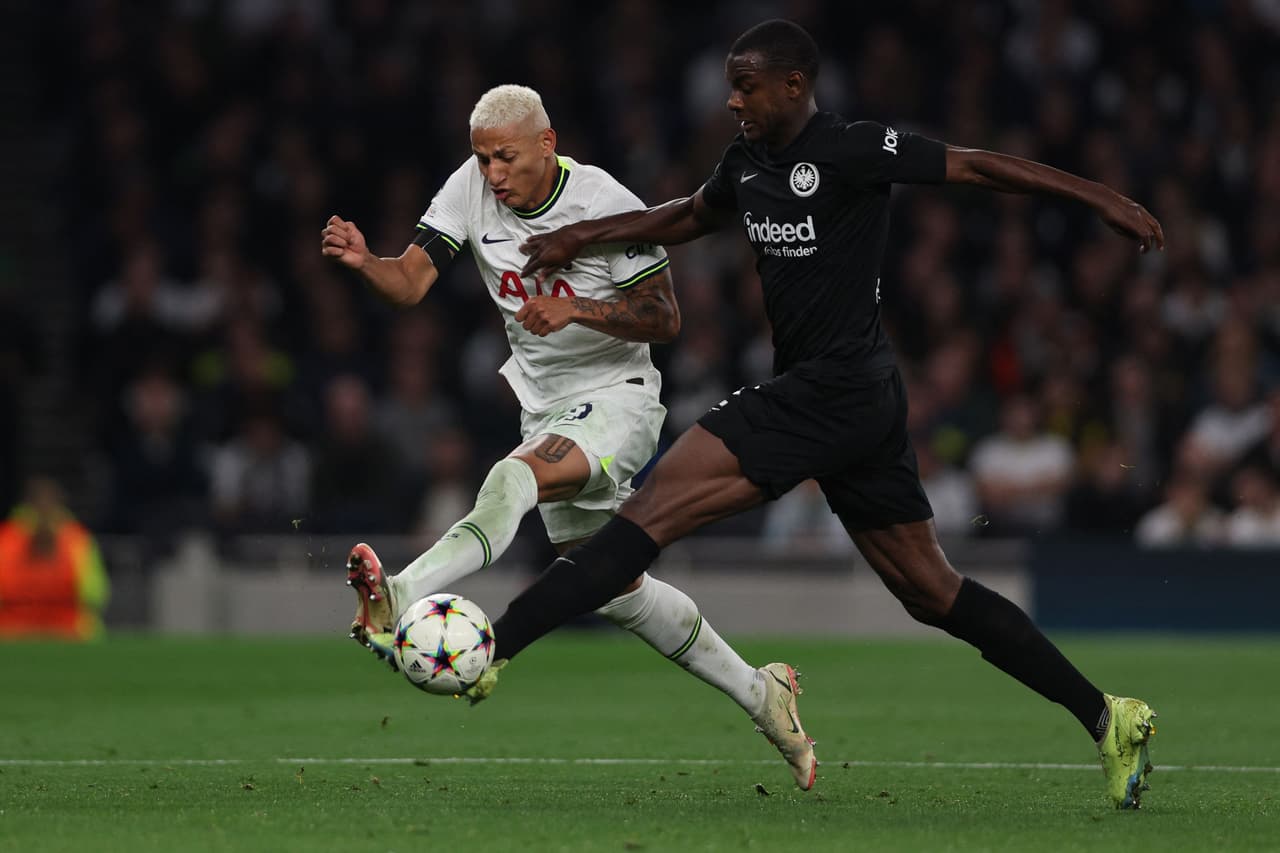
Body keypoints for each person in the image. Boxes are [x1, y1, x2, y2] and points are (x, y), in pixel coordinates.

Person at [482, 21, 1164, 809]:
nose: (731, 98)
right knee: (930, 590)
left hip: (835, 389)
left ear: (794, 87)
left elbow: (975, 166)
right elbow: (687, 216)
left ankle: (496, 643)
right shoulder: (746, 163)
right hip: (852, 397)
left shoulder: (851, 149)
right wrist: (584, 235)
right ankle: (1110, 716)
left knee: (649, 513)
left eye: (746, 86)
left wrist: (1103, 197)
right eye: (731, 85)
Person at [321, 85, 816, 789]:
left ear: (546, 146)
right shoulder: (471, 185)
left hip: (619, 402)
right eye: (483, 158)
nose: (492, 174)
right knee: (616, 585)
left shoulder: (603, 201)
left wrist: (576, 306)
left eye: (506, 158)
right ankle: (762, 694)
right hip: (546, 409)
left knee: (511, 477)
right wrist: (367, 262)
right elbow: (410, 281)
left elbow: (664, 316)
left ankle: (401, 591)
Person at [0, 477, 110, 641]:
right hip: (11, 629)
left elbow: (95, 593)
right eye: (39, 501)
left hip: (69, 627)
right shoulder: (6, 539)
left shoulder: (77, 539)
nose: (44, 507)